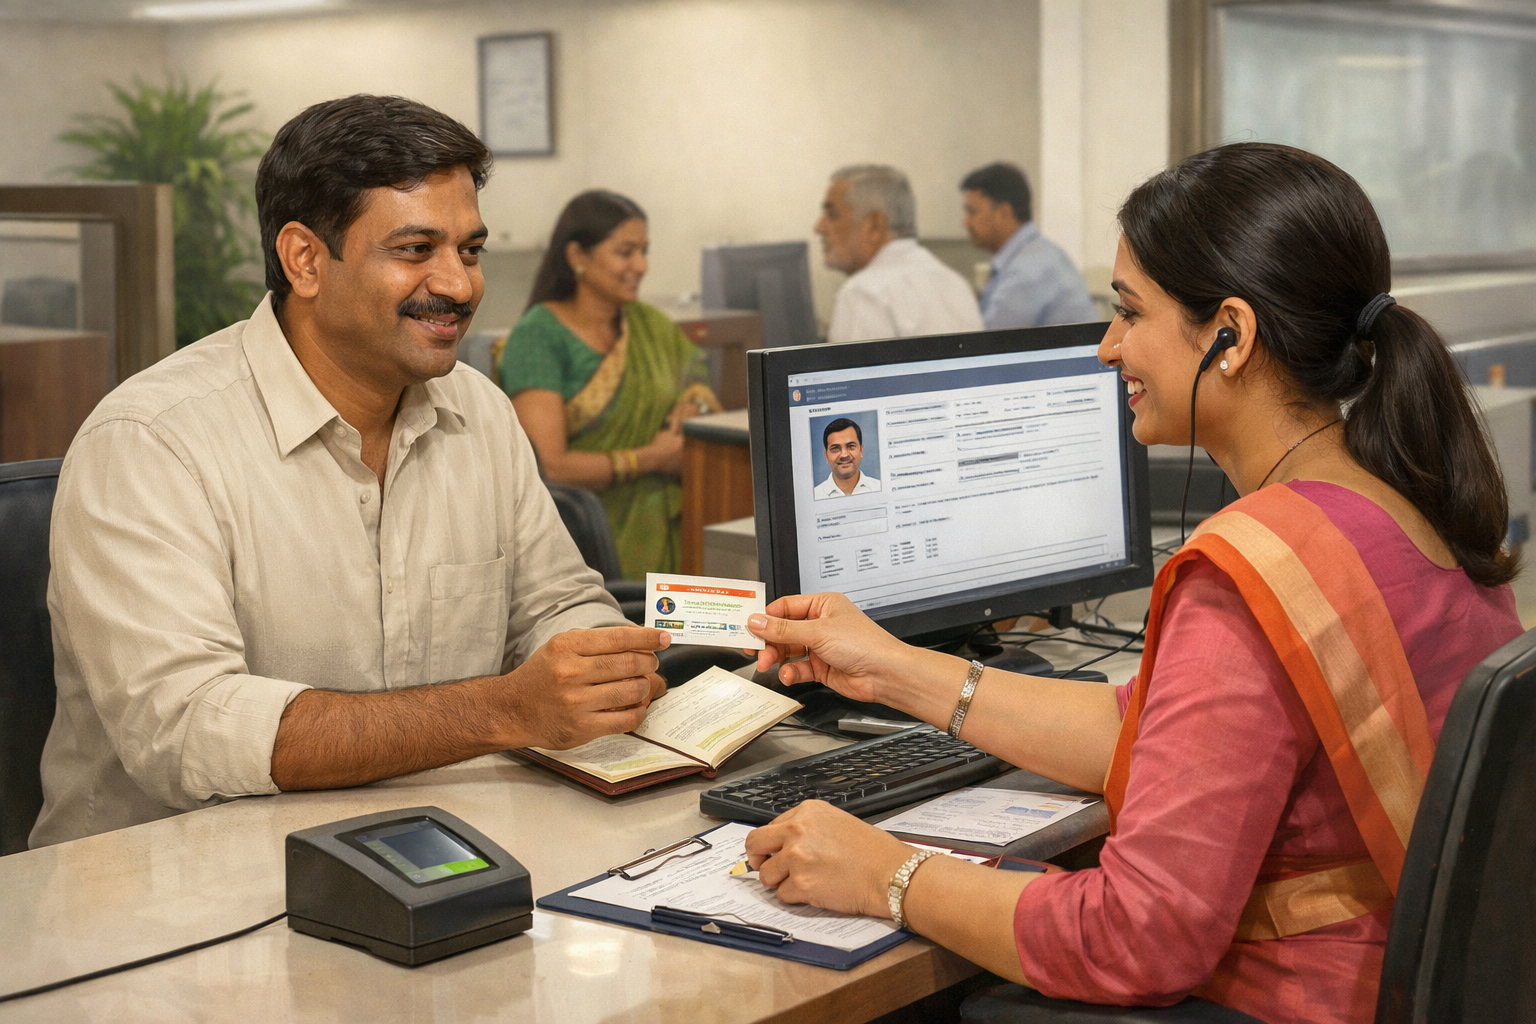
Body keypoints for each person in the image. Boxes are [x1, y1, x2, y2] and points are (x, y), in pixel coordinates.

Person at [738, 143, 1524, 1024]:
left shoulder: (1252, 568)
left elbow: (1137, 940)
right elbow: (1162, 733)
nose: (1108, 347)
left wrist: (888, 872)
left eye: (1127, 312)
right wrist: (890, 669)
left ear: (1232, 334)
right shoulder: (1401, 497)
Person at [32, 96, 672, 848]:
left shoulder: (481, 413)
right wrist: (504, 710)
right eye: (415, 250)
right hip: (172, 897)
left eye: (469, 251)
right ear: (305, 259)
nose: (460, 286)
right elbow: (187, 732)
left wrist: (600, 666)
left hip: (439, 848)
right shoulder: (151, 444)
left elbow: (558, 605)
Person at [497, 190, 719, 579]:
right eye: (625, 252)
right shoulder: (538, 338)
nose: (641, 265)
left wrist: (693, 409)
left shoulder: (649, 326)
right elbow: (550, 466)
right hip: (583, 545)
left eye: (644, 251)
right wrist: (651, 457)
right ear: (577, 257)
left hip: (670, 527)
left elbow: (695, 381)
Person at [817, 164, 984, 344]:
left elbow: (850, 373)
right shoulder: (956, 284)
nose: (819, 227)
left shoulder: (863, 293)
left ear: (874, 225)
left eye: (832, 215)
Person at [961, 162, 1096, 329]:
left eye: (972, 212)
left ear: (1004, 212)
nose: (965, 222)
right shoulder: (1034, 254)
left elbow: (985, 340)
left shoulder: (1029, 269)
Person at [813, 417, 881, 498]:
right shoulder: (815, 496)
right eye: (835, 448)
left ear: (861, 451)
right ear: (826, 456)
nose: (844, 455)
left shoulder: (880, 488)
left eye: (851, 446)